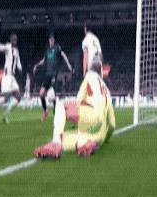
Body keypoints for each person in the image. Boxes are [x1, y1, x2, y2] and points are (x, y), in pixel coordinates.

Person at [34, 26, 115, 158]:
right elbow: (112, 124)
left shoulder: (88, 78)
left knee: (61, 105)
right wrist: (105, 137)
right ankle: (85, 143)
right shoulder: (106, 89)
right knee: (72, 137)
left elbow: (78, 102)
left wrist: (74, 118)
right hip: (99, 132)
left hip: (89, 117)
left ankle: (55, 143)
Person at [32, 32, 72, 121]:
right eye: (50, 40)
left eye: (53, 40)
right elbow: (43, 60)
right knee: (41, 94)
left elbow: (63, 55)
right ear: (49, 41)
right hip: (47, 75)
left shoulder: (57, 48)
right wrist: (37, 65)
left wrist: (68, 64)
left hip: (54, 74)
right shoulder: (47, 50)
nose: (51, 41)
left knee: (51, 96)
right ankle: (46, 111)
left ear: (54, 41)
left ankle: (57, 112)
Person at [0, 34, 22, 123]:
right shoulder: (8, 47)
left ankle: (5, 115)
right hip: (7, 76)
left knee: (18, 97)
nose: (15, 41)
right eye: (13, 39)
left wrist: (20, 67)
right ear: (11, 40)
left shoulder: (16, 51)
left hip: (12, 77)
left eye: (16, 39)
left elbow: (18, 62)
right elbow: (0, 47)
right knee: (6, 99)